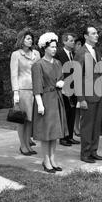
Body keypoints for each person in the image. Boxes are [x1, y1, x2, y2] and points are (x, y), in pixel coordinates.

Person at [31, 32, 68, 173]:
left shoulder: (58, 62)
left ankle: (53, 159)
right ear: (45, 48)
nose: (54, 49)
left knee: (55, 132)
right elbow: (37, 87)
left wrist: (61, 82)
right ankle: (46, 160)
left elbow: (61, 77)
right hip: (45, 100)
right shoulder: (38, 65)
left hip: (57, 99)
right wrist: (40, 104)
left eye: (55, 47)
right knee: (46, 133)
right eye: (51, 47)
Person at [73, 26, 102, 163]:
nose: (96, 35)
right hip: (87, 95)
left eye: (97, 33)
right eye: (93, 33)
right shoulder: (80, 52)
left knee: (96, 125)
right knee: (87, 126)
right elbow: (77, 77)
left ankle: (93, 151)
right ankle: (85, 153)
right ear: (86, 36)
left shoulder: (97, 51)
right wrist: (81, 98)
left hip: (98, 93)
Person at [10, 28, 40, 156]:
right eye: (28, 38)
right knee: (21, 120)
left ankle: (28, 144)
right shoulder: (16, 54)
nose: (30, 40)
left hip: (35, 90)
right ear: (22, 40)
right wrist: (15, 92)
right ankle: (23, 146)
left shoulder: (37, 54)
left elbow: (39, 72)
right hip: (22, 91)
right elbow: (14, 75)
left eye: (31, 38)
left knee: (30, 120)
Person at [55, 32, 80, 146]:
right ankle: (63, 137)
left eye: (73, 40)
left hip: (73, 87)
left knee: (72, 113)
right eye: (70, 40)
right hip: (63, 87)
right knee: (64, 113)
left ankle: (70, 136)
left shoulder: (74, 54)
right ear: (64, 41)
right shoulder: (58, 54)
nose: (73, 42)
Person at [73, 37, 85, 137]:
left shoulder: (83, 55)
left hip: (82, 86)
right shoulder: (73, 55)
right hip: (72, 85)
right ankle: (75, 127)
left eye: (81, 44)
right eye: (78, 44)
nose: (79, 46)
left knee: (80, 109)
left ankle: (78, 127)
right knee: (75, 109)